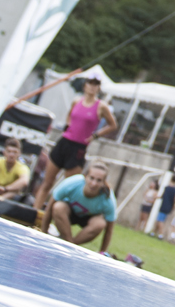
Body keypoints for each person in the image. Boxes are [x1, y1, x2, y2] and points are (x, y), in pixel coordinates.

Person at [33, 76, 117, 210]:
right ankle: (34, 211)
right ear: (85, 86)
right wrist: (68, 126)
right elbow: (70, 115)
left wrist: (95, 135)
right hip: (64, 143)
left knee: (68, 187)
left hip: (78, 147)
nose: (92, 87)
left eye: (95, 85)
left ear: (98, 88)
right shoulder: (77, 101)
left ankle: (53, 213)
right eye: (90, 84)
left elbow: (113, 125)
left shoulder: (101, 106)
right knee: (47, 182)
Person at [41, 159, 118, 252]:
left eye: (99, 180)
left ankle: (71, 246)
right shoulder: (72, 183)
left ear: (104, 183)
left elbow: (109, 230)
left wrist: (102, 252)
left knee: (100, 223)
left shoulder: (108, 199)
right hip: (68, 213)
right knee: (58, 207)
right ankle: (68, 243)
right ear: (85, 176)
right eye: (91, 178)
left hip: (88, 219)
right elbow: (49, 209)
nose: (93, 183)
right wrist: (43, 234)